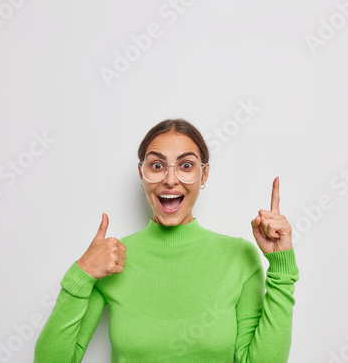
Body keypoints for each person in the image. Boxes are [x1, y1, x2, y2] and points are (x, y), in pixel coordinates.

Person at [34, 118, 299, 362]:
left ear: (203, 174)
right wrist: (81, 273)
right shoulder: (113, 259)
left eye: (186, 165)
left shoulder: (239, 256)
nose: (170, 179)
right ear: (142, 174)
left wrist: (281, 267)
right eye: (157, 165)